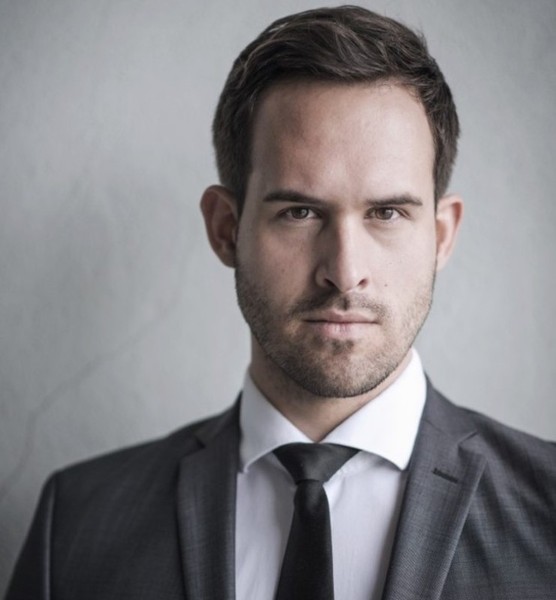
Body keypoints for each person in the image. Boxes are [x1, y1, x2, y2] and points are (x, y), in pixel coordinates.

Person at [6, 6, 555, 600]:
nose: (344, 272)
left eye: (387, 213)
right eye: (300, 212)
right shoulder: (78, 524)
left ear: (441, 236)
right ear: (225, 228)